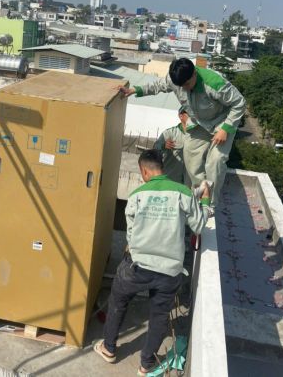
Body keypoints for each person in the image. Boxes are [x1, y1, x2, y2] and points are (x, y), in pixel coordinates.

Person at [94, 149, 210, 375]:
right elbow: (198, 226)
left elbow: (130, 233)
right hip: (169, 271)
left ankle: (109, 348)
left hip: (137, 267)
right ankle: (146, 365)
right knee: (159, 316)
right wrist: (205, 200)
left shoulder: (137, 194)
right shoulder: (183, 192)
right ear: (161, 169)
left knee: (118, 301)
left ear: (144, 171)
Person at [119, 58, 246, 208]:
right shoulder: (175, 80)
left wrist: (225, 129)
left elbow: (239, 103)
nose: (184, 88)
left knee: (215, 162)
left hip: (221, 123)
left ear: (194, 74)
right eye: (181, 86)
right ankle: (200, 195)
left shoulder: (214, 83)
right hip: (199, 123)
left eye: (187, 84)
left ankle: (209, 204)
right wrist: (134, 90)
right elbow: (158, 86)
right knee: (191, 161)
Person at [153, 107, 195, 185]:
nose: (193, 116)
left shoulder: (199, 135)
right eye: (190, 113)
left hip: (189, 182)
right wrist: (163, 146)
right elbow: (155, 149)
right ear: (181, 116)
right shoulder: (169, 133)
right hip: (170, 179)